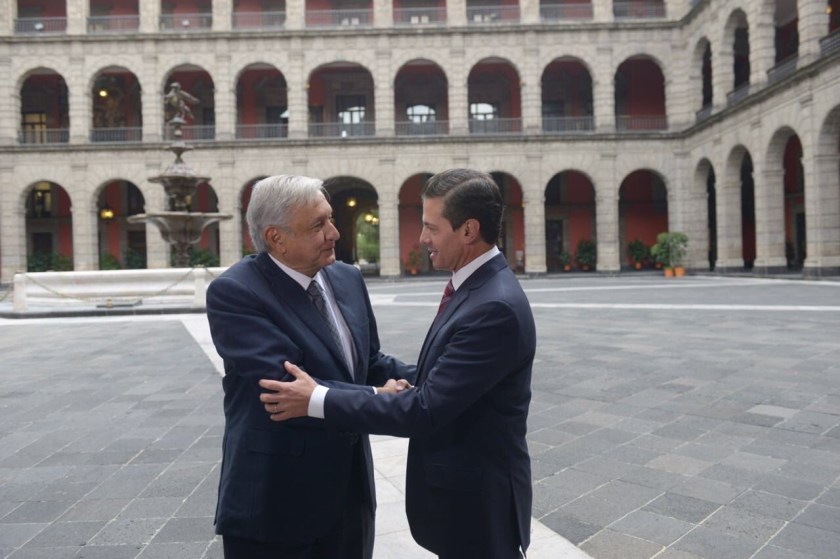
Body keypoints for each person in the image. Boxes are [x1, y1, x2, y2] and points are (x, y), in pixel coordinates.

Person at [259, 168, 537, 559]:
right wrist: (405, 382)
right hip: (467, 498)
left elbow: (424, 410)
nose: (422, 238)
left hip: (479, 504)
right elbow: (443, 378)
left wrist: (316, 399)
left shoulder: (494, 306)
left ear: (469, 230)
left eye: (431, 227)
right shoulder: (477, 287)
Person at [205, 175, 414, 559]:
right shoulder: (236, 292)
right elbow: (286, 387)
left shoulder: (347, 278)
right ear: (276, 238)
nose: (334, 232)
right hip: (277, 505)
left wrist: (431, 375)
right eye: (318, 225)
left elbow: (367, 363)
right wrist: (378, 396)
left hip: (350, 497)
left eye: (330, 218)